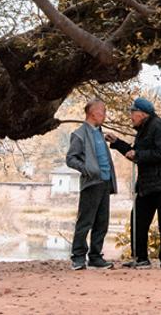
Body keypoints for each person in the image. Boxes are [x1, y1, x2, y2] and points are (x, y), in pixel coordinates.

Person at [106, 97, 161, 269]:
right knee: (138, 219)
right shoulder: (144, 129)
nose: (131, 116)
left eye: (133, 113)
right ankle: (141, 258)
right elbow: (135, 152)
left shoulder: (159, 127)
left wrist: (138, 155)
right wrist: (117, 143)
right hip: (147, 183)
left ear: (142, 114)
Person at [66, 98, 117, 270]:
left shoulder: (100, 133)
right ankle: (78, 258)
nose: (105, 114)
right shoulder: (79, 134)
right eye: (103, 111)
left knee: (102, 221)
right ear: (93, 113)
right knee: (85, 221)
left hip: (104, 182)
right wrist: (87, 169)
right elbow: (70, 159)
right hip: (91, 183)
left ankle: (95, 257)